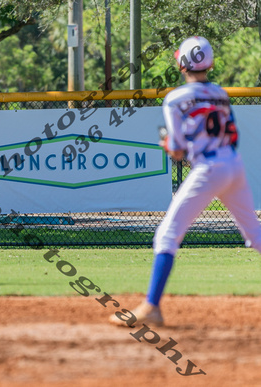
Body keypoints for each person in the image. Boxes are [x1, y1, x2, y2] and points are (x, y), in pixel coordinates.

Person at [110, 36, 261, 326]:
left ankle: (151, 307)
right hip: (233, 162)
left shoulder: (175, 99)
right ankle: (151, 306)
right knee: (254, 234)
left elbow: (178, 150)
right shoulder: (220, 93)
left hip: (209, 168)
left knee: (167, 235)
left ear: (181, 63)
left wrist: (167, 145)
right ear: (210, 63)